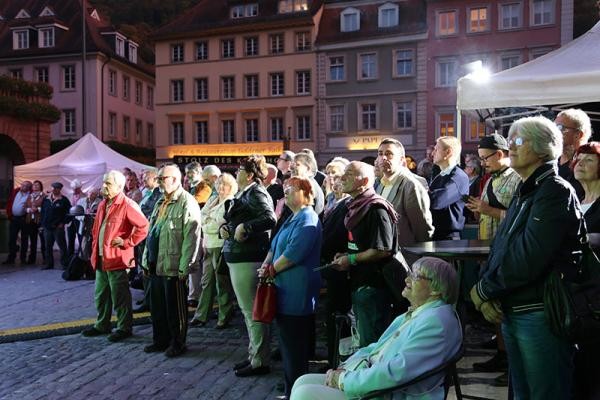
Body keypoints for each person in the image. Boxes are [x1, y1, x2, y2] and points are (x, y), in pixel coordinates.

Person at [470, 116, 581, 399]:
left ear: (543, 148)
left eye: (519, 141)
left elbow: (528, 257)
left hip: (540, 312)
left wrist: (483, 289)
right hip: (517, 308)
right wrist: (487, 292)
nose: (512, 146)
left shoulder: (553, 190)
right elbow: (502, 247)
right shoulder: (527, 190)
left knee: (544, 393)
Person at [291, 257, 462, 400]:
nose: (406, 279)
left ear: (435, 290)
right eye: (410, 272)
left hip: (390, 393)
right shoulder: (422, 312)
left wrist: (344, 380)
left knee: (303, 394)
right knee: (302, 381)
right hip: (377, 382)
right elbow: (377, 348)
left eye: (416, 276)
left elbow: (396, 372)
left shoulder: (435, 321)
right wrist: (346, 368)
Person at [464, 134, 521, 382]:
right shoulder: (490, 180)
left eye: (486, 158)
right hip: (488, 250)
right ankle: (501, 353)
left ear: (500, 154)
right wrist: (479, 211)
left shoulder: (517, 178)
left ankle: (512, 362)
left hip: (506, 252)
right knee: (493, 306)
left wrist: (488, 210)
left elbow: (521, 217)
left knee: (505, 307)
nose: (482, 163)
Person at [259, 177, 322, 397]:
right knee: (288, 342)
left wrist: (270, 269)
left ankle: (296, 390)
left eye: (291, 189)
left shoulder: (307, 218)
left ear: (306, 193)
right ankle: (291, 387)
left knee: (295, 346)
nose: (285, 193)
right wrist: (268, 263)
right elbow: (275, 244)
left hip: (297, 292)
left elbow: (294, 254)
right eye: (284, 189)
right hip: (285, 289)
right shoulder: (293, 217)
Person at [220, 155, 276, 377]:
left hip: (248, 257)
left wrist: (246, 227)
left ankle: (259, 360)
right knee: (248, 311)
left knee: (252, 311)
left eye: (240, 169)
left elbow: (269, 218)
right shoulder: (248, 192)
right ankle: (255, 355)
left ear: (250, 174)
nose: (236, 173)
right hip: (240, 256)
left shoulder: (256, 191)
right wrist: (229, 227)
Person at [332, 161, 398, 347]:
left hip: (373, 286)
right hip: (360, 282)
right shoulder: (357, 206)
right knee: (363, 339)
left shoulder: (376, 208)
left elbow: (382, 249)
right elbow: (364, 244)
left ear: (365, 181)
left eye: (350, 174)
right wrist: (347, 254)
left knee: (372, 344)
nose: (342, 178)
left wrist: (351, 258)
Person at [81, 170, 149, 342]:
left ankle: (124, 327)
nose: (104, 186)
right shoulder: (104, 204)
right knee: (101, 294)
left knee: (120, 295)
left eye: (108, 183)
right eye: (104, 182)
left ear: (119, 186)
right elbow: (97, 230)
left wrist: (127, 242)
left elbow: (143, 227)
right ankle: (102, 324)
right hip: (103, 257)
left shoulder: (127, 204)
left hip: (117, 259)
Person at [142, 163, 202, 357]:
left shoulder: (186, 201)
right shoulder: (161, 201)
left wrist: (185, 266)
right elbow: (152, 232)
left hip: (173, 264)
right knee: (158, 307)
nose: (159, 182)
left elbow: (191, 237)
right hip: (156, 263)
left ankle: (178, 342)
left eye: (162, 178)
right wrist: (145, 258)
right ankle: (160, 340)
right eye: (158, 178)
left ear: (175, 180)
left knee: (175, 309)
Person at [572, 142, 600, 399]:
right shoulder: (578, 202)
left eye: (589, 160)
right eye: (578, 159)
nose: (580, 163)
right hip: (577, 296)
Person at [190, 173, 236, 328]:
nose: (221, 187)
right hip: (209, 244)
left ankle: (224, 316)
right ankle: (201, 315)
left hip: (221, 245)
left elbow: (218, 224)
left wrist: (208, 223)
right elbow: (201, 219)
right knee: (206, 281)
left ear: (231, 187)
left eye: (225, 185)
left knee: (221, 282)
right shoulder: (213, 199)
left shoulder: (230, 202)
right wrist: (209, 223)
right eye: (220, 184)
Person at [375, 138, 434, 250]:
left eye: (389, 154)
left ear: (401, 160)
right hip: (383, 257)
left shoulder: (411, 186)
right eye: (380, 153)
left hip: (406, 257)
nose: (383, 158)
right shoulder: (380, 185)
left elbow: (422, 229)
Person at [321, 173, 352, 367]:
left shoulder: (348, 204)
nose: (333, 181)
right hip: (333, 267)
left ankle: (338, 363)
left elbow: (338, 235)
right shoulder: (337, 203)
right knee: (332, 318)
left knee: (341, 319)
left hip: (341, 269)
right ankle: (333, 360)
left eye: (339, 177)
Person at [429, 136, 469, 240]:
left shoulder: (459, 177)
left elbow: (436, 201)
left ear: (448, 152)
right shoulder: (440, 175)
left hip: (449, 239)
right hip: (438, 235)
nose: (432, 153)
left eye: (436, 149)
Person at [185, 161, 212, 309]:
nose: (188, 175)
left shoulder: (204, 187)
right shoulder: (192, 187)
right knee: (194, 262)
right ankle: (194, 294)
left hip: (201, 231)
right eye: (187, 173)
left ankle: (194, 295)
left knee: (195, 262)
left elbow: (194, 203)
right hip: (196, 229)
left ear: (199, 172)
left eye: (191, 173)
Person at [555, 108, 592, 199]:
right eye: (553, 126)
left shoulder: (589, 167)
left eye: (560, 127)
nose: (554, 131)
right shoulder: (551, 163)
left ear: (578, 135)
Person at [40, 182, 71, 270]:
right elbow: (43, 212)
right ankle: (49, 264)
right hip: (47, 227)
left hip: (58, 227)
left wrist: (63, 223)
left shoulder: (64, 200)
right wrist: (42, 224)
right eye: (53, 187)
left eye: (56, 188)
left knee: (62, 246)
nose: (54, 189)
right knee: (47, 246)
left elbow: (68, 213)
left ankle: (64, 264)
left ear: (60, 189)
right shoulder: (46, 199)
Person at [3, 181, 32, 265]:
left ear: (29, 187)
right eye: (23, 185)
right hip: (14, 219)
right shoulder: (15, 192)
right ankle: (11, 258)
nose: (24, 186)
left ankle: (23, 258)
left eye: (26, 186)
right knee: (12, 239)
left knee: (24, 239)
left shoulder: (31, 195)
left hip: (24, 219)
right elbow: (9, 202)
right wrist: (9, 215)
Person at [25, 180, 45, 264]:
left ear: (40, 186)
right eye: (34, 185)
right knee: (32, 240)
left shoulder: (44, 196)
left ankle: (46, 258)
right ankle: (31, 259)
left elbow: (46, 207)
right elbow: (25, 206)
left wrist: (38, 209)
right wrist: (29, 209)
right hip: (31, 220)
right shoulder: (30, 196)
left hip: (40, 220)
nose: (35, 186)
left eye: (37, 185)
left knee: (43, 240)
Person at [67, 179, 87, 257]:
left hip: (80, 220)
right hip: (71, 220)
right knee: (70, 238)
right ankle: (70, 257)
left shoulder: (85, 196)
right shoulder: (70, 196)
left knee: (80, 238)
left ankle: (81, 256)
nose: (74, 190)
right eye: (73, 189)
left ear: (79, 188)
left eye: (75, 189)